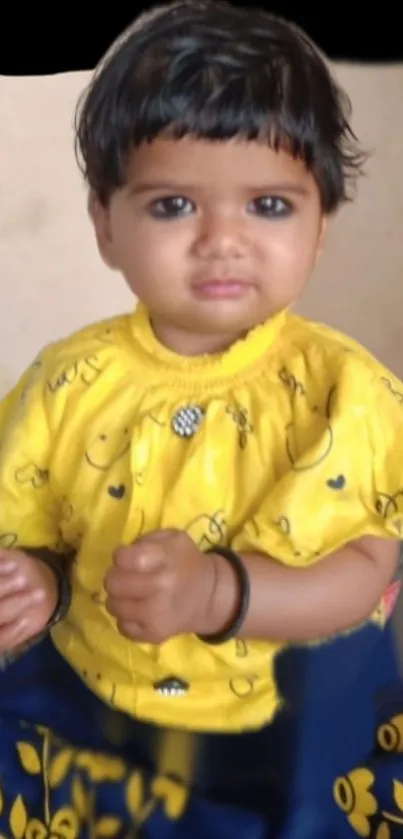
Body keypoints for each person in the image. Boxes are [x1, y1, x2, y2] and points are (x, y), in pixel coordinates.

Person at [0, 2, 402, 837]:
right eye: (174, 206)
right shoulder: (67, 382)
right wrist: (39, 579)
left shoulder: (345, 392)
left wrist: (219, 590)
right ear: (106, 225)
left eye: (267, 205)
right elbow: (35, 521)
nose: (222, 239)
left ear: (319, 224)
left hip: (286, 731)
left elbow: (368, 570)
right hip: (97, 715)